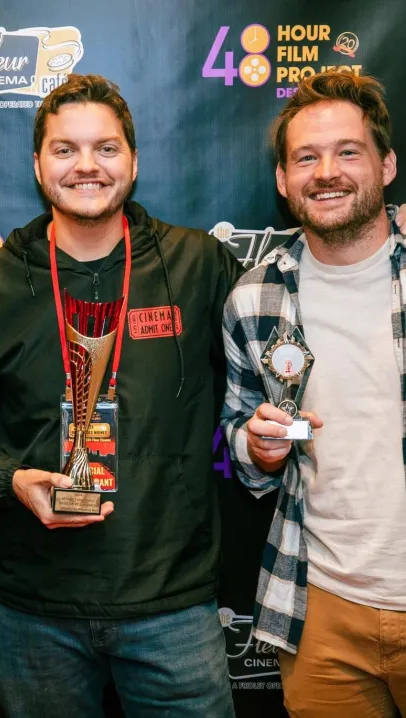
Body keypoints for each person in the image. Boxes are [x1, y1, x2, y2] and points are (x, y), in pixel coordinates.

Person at [0, 73, 240, 717]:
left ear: (134, 161)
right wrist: (11, 481)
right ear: (37, 164)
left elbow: (279, 345)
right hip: (33, 612)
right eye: (65, 149)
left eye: (106, 148)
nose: (87, 166)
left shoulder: (200, 266)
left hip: (172, 607)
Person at [221, 71, 406, 716]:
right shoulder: (254, 298)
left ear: (386, 164)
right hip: (318, 608)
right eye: (306, 157)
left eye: (348, 151)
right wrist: (258, 446)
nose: (326, 172)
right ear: (282, 180)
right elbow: (241, 444)